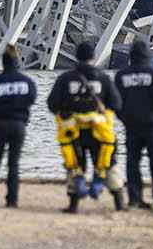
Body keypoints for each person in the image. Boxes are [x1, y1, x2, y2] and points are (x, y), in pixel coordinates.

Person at [46, 40, 124, 214]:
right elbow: (117, 104)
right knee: (108, 163)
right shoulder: (103, 78)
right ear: (93, 57)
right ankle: (119, 201)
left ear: (76, 57)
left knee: (74, 164)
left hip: (73, 131)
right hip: (99, 132)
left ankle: (73, 204)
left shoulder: (65, 79)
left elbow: (52, 104)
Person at [115, 38, 153, 209]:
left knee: (132, 161)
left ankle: (134, 198)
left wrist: (124, 119)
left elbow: (116, 102)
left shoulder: (121, 75)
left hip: (132, 125)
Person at [0, 44, 36, 208]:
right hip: (19, 125)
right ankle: (12, 200)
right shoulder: (27, 82)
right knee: (14, 163)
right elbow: (32, 99)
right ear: (17, 62)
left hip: (0, 125)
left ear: (3, 63)